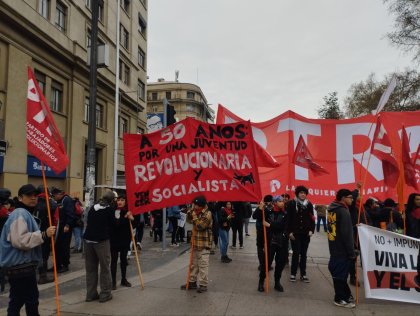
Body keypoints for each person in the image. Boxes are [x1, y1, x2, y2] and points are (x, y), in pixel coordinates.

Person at [0, 184, 56, 315]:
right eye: (29, 195)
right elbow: (20, 241)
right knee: (30, 300)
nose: (33, 198)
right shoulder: (20, 213)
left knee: (18, 300)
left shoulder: (23, 213)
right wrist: (44, 234)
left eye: (35, 195)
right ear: (20, 198)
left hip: (21, 266)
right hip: (21, 266)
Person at [83, 190, 115, 303]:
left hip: (87, 241)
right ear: (111, 200)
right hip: (101, 241)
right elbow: (113, 225)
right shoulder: (109, 209)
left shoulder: (93, 207)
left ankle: (90, 294)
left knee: (90, 269)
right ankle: (105, 294)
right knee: (105, 268)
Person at [327, 189, 356, 308]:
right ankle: (339, 298)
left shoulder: (331, 209)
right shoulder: (343, 211)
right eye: (350, 197)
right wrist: (352, 252)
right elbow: (347, 234)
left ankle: (346, 294)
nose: (352, 199)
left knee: (339, 272)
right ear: (343, 198)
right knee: (340, 274)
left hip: (333, 245)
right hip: (342, 248)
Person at [180, 195, 213, 293]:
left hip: (204, 243)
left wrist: (194, 216)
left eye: (195, 205)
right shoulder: (194, 211)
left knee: (203, 265)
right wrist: (190, 213)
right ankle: (192, 282)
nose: (194, 206)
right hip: (195, 242)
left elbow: (200, 226)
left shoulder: (207, 213)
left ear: (201, 205)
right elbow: (189, 221)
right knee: (193, 264)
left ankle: (203, 284)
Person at [287, 186, 315, 283]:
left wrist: (312, 230)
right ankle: (293, 274)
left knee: (304, 254)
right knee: (296, 253)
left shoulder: (309, 204)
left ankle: (303, 274)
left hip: (306, 234)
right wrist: (289, 232)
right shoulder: (291, 203)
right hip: (295, 234)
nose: (303, 194)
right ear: (297, 194)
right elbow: (288, 219)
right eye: (301, 193)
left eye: (304, 193)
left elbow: (312, 218)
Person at [110, 194, 134, 290]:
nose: (119, 202)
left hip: (124, 239)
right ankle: (113, 281)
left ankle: (124, 279)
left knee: (123, 260)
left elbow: (135, 224)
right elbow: (116, 224)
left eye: (122, 200)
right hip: (114, 239)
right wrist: (124, 217)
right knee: (114, 260)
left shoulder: (128, 211)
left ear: (126, 202)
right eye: (118, 200)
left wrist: (131, 218)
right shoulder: (113, 211)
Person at [34, 185, 57, 284]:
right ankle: (42, 276)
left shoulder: (33, 202)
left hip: (34, 232)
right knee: (44, 254)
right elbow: (56, 220)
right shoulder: (51, 203)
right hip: (47, 232)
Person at [266, 195, 288, 292]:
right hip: (270, 241)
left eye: (283, 201)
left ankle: (277, 282)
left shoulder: (285, 214)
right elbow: (257, 217)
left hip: (281, 242)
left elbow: (282, 226)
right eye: (280, 201)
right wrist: (260, 207)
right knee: (266, 262)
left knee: (280, 263)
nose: (282, 203)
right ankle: (261, 280)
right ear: (274, 202)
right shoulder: (268, 212)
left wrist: (270, 225)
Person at [51, 187, 76, 273]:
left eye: (54, 196)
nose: (54, 198)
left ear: (59, 194)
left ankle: (65, 265)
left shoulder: (66, 200)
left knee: (64, 247)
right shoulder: (59, 201)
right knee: (57, 246)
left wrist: (68, 225)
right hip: (59, 227)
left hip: (65, 227)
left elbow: (71, 214)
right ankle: (57, 265)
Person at [253, 194, 273, 292]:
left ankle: (266, 266)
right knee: (263, 259)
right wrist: (260, 208)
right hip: (261, 234)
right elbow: (255, 216)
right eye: (267, 201)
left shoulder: (274, 209)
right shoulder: (262, 208)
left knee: (268, 260)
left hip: (272, 238)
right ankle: (261, 282)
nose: (268, 203)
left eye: (270, 201)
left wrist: (270, 225)